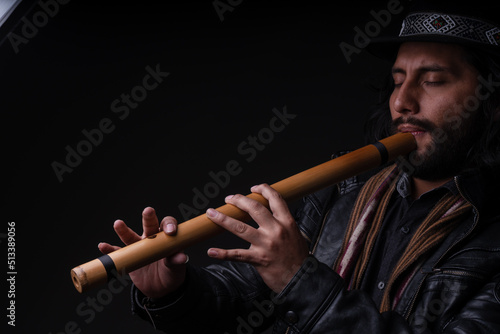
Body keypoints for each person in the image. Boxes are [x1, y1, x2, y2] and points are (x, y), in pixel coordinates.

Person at [98, 1, 500, 333]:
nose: (402, 102)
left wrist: (300, 280)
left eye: (432, 80)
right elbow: (248, 296)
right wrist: (173, 291)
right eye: (398, 80)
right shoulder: (344, 188)